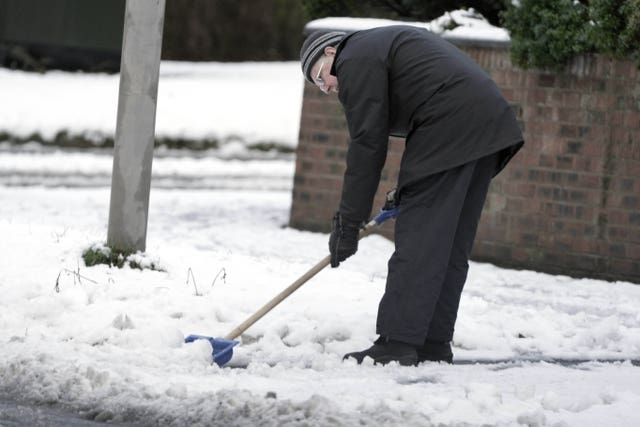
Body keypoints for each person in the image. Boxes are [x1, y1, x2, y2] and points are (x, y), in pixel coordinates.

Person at [300, 26, 524, 366]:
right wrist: (405, 194)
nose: (327, 87)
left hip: (451, 124)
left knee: (420, 238)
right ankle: (432, 342)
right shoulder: (374, 49)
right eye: (318, 86)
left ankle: (397, 343)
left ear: (332, 52)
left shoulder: (353, 56)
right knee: (447, 242)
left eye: (320, 76)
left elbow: (367, 144)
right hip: (487, 125)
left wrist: (347, 222)